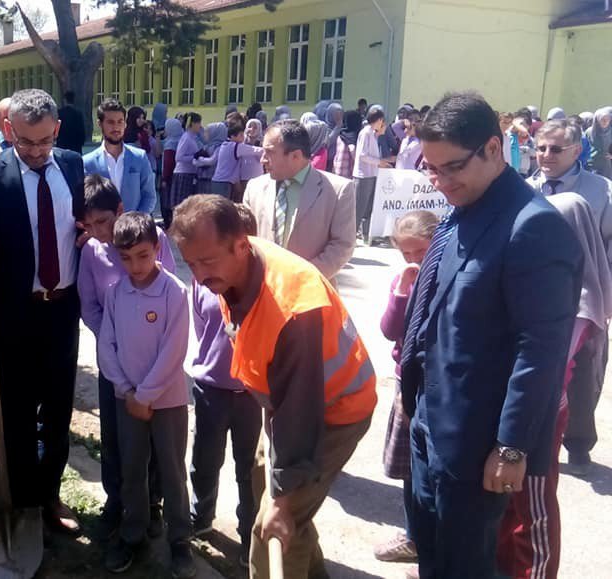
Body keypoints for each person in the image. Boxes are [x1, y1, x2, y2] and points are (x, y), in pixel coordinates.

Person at [402, 92, 583, 579]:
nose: (440, 183)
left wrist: (511, 448)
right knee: (433, 554)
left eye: (451, 168)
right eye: (431, 169)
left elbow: (540, 350)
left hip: (478, 442)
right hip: (429, 422)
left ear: (492, 148)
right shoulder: (463, 206)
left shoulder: (533, 226)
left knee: (466, 564)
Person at [171, 194, 376, 579]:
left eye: (208, 261)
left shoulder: (293, 310)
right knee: (272, 488)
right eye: (190, 263)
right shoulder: (239, 262)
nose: (198, 276)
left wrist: (283, 502)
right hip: (286, 401)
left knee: (273, 531)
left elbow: (301, 416)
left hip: (335, 411)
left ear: (240, 245)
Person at [0, 88, 86, 533]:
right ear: (8, 131)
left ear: (56, 131)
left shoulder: (75, 165)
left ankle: (50, 494)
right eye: (26, 143)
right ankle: (21, 497)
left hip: (62, 311)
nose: (37, 152)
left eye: (44, 142)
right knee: (17, 410)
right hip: (13, 312)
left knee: (58, 408)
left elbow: (83, 223)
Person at [496, 192, 612, 579]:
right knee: (506, 502)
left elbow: (545, 364)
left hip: (542, 410)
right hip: (517, 404)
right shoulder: (543, 281)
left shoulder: (580, 300)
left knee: (534, 504)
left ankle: (536, 572)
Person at [97, 212, 195, 578]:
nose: (134, 265)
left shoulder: (174, 292)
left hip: (166, 403)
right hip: (127, 402)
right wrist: (126, 390)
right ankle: (133, 533)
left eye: (142, 255)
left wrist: (147, 395)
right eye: (125, 258)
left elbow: (174, 351)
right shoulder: (116, 292)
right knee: (132, 470)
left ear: (157, 248)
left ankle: (180, 540)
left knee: (171, 471)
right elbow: (107, 344)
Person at [77, 174, 176, 534]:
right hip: (114, 362)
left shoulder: (153, 238)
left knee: (154, 432)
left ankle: (152, 502)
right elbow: (90, 306)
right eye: (88, 224)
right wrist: (113, 344)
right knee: (116, 434)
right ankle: (116, 499)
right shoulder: (90, 251)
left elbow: (170, 293)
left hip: (153, 359)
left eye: (102, 221)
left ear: (119, 210)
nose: (97, 230)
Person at [526, 118, 612, 475]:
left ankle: (578, 443)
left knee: (584, 373)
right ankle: (536, 436)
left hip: (585, 295)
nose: (546, 156)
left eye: (555, 149)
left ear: (577, 151)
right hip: (536, 294)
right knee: (540, 367)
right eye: (541, 148)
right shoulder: (525, 187)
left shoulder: (602, 192)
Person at [188, 203, 262, 569]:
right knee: (205, 458)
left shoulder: (262, 287)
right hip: (211, 387)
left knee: (248, 467)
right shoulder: (202, 278)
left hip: (250, 394)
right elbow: (202, 324)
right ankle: (201, 516)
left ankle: (250, 533)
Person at [374, 210, 438, 566]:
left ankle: (433, 547)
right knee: (411, 466)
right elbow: (389, 328)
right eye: (406, 254)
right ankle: (414, 537)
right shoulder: (404, 279)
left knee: (432, 467)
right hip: (406, 378)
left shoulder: (447, 276)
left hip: (436, 381)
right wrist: (402, 290)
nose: (414, 261)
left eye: (421, 252)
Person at [246, 119, 356, 281]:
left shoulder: (338, 190)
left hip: (311, 294)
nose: (262, 159)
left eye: (269, 152)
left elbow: (342, 246)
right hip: (262, 291)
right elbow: (246, 239)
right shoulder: (254, 187)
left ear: (296, 156)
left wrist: (299, 279)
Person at [83, 98, 157, 214]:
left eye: (120, 121)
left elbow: (149, 196)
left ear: (125, 123)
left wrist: (136, 222)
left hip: (133, 229)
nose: (116, 127)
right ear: (100, 124)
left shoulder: (139, 157)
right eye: (110, 122)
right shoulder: (88, 163)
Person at [353, 107, 389, 241]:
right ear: (379, 120)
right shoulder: (365, 133)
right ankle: (351, 236)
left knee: (368, 208)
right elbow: (362, 155)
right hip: (363, 175)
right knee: (359, 208)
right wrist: (378, 162)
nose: (382, 124)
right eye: (382, 121)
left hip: (371, 174)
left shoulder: (373, 133)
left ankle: (366, 235)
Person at [210, 115, 264, 201]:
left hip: (219, 181)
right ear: (233, 136)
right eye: (241, 135)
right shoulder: (237, 146)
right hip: (225, 183)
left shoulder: (224, 145)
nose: (243, 138)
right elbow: (255, 150)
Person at [170, 112, 203, 211]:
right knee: (182, 206)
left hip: (190, 174)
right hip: (183, 174)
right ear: (192, 124)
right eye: (198, 123)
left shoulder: (193, 137)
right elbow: (179, 157)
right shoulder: (186, 137)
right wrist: (194, 156)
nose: (200, 126)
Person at [161, 117, 185, 225]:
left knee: (167, 200)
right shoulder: (182, 139)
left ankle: (169, 222)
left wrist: (165, 178)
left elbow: (168, 163)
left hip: (170, 176)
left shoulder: (170, 143)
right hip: (179, 175)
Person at [195, 122, 227, 195]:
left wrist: (200, 159)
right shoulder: (207, 146)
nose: (205, 135)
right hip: (202, 178)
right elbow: (195, 161)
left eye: (207, 132)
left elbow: (213, 160)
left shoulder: (220, 147)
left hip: (211, 178)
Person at [332, 109, 362, 178]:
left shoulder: (341, 135)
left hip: (338, 170)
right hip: (348, 174)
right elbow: (352, 149)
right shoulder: (352, 136)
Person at [239, 118, 266, 192]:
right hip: (243, 176)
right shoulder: (241, 142)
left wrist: (252, 144)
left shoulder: (261, 142)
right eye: (250, 126)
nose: (252, 129)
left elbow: (260, 159)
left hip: (257, 176)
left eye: (255, 127)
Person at [586, 106, 612, 179]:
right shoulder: (590, 132)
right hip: (593, 165)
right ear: (597, 120)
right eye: (602, 119)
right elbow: (584, 147)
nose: (605, 122)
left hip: (608, 166)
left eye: (608, 119)